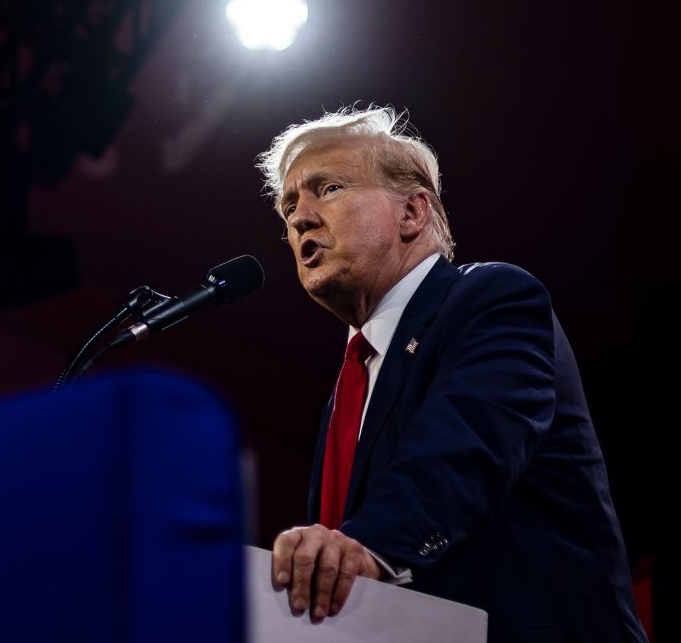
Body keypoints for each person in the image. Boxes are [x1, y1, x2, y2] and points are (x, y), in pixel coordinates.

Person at [258, 106, 646, 642]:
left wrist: (367, 545)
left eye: (327, 188)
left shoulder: (491, 299)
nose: (299, 216)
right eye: (289, 205)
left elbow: (468, 440)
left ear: (413, 212)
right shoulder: (351, 384)